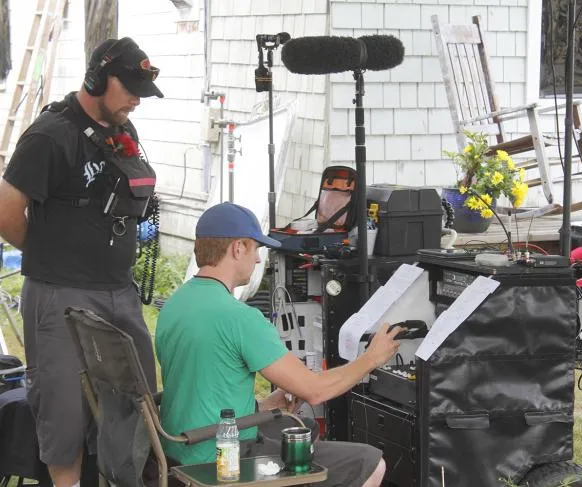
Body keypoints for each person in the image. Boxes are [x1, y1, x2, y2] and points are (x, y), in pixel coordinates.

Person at [0, 37, 163, 487]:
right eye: (129, 88)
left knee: (137, 405)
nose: (136, 99)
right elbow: (6, 209)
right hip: (60, 292)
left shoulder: (122, 130)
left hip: (119, 289)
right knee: (64, 411)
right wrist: (49, 253)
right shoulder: (50, 135)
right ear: (96, 78)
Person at [155, 202, 405, 487]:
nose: (259, 260)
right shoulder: (240, 318)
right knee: (369, 463)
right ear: (238, 248)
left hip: (180, 450)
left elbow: (203, 387)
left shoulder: (175, 305)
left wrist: (261, 406)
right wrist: (371, 358)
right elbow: (315, 390)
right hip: (223, 459)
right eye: (255, 250)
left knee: (304, 430)